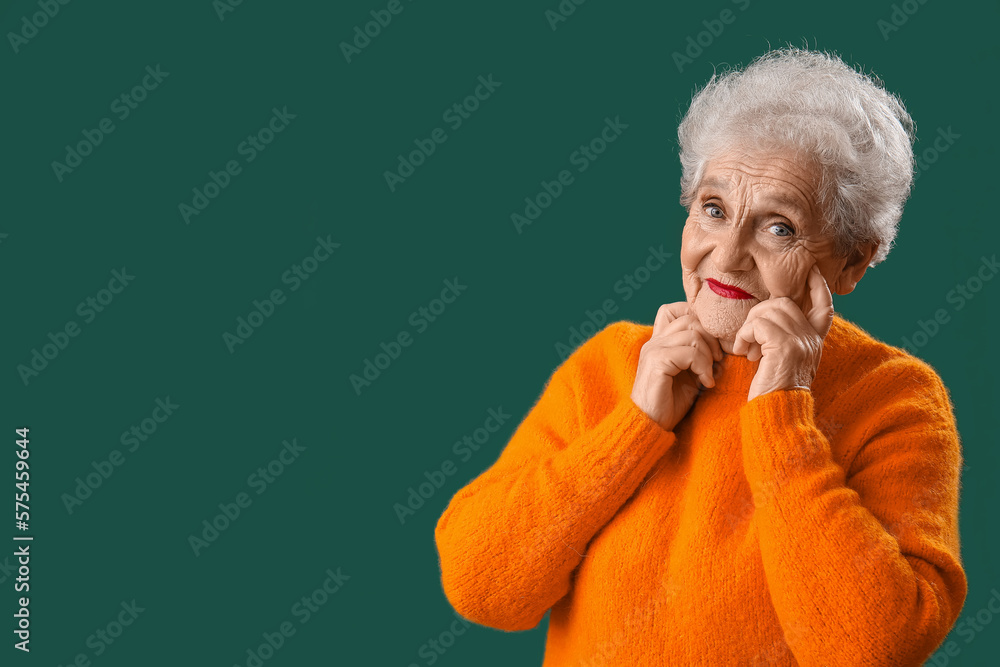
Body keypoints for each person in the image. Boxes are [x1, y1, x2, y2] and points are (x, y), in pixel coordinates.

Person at [434, 46, 967, 666]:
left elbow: (872, 648)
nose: (728, 253)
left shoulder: (895, 397)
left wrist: (782, 412)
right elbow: (482, 592)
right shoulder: (611, 365)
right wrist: (633, 430)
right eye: (714, 210)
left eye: (779, 227)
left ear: (850, 260)